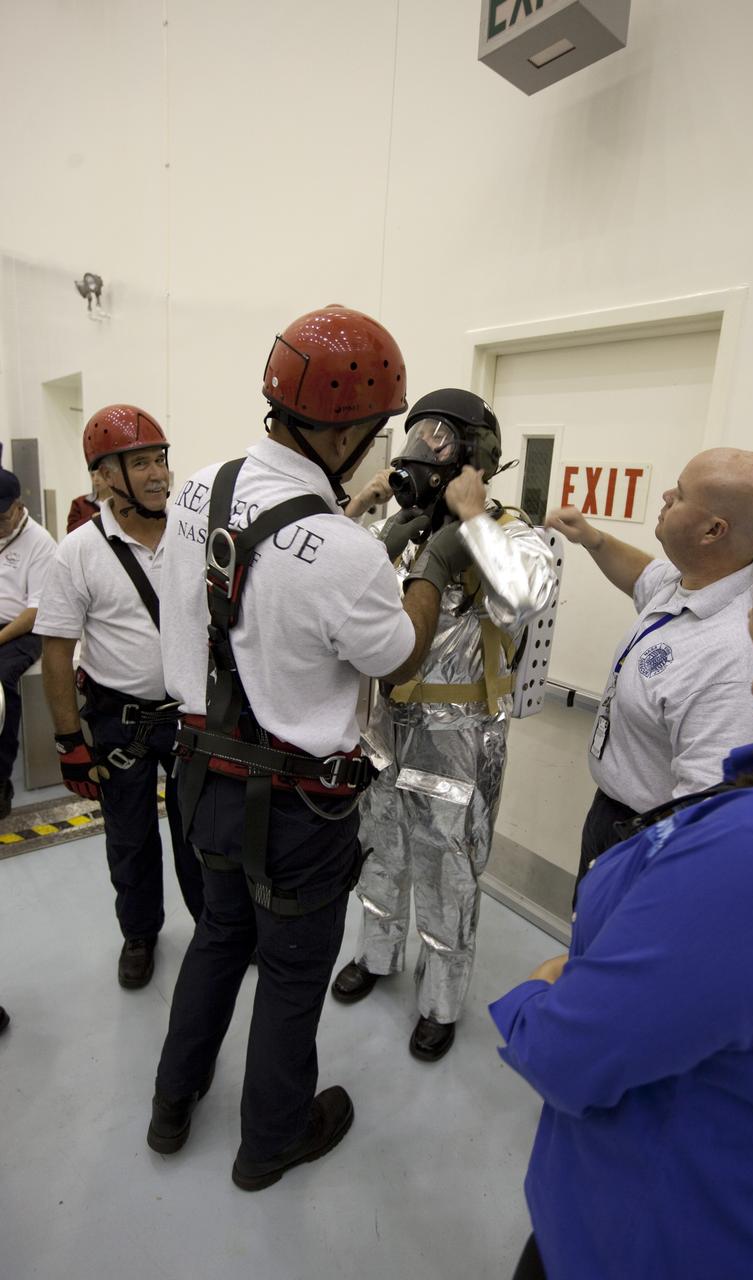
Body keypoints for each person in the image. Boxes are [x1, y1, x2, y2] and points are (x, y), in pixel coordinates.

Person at [491, 462, 753, 1280]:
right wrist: (585, 538)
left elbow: (576, 1048)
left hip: (655, 1237)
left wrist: (545, 989)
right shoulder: (680, 585)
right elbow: (641, 571)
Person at [146, 305, 453, 1190]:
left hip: (200, 771)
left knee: (215, 941)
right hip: (297, 806)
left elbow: (264, 584)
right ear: (351, 428)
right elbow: (395, 657)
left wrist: (346, 521)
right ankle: (270, 1142)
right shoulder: (351, 557)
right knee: (288, 974)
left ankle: (173, 1108)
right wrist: (431, 559)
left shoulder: (200, 485)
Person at [332, 390, 556, 1061]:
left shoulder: (507, 530)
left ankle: (440, 1000)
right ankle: (376, 956)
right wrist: (357, 512)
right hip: (382, 725)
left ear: (473, 456)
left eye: (438, 440)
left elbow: (523, 597)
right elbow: (339, 589)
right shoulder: (400, 531)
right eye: (415, 438)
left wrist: (473, 517)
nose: (421, 454)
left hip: (457, 733)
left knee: (446, 869)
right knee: (379, 851)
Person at [545, 447, 753, 889]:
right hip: (612, 817)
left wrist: (647, 884)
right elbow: (643, 576)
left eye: (680, 495)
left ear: (713, 530)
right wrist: (593, 539)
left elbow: (701, 817)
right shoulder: (692, 581)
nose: (666, 494)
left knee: (607, 954)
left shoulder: (734, 653)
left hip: (652, 845)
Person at [35, 406, 203, 989]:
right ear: (104, 477)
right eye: (140, 462)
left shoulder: (194, 536)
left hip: (190, 718)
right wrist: (66, 741)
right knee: (129, 838)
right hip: (119, 724)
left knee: (200, 834)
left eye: (161, 458)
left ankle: (214, 931)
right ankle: (140, 933)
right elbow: (57, 651)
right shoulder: (77, 552)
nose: (159, 473)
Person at [0, 467, 57, 819]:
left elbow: (36, 611)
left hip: (23, 629)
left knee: (2, 684)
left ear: (19, 506)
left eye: (3, 517)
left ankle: (0, 779)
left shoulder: (40, 542)